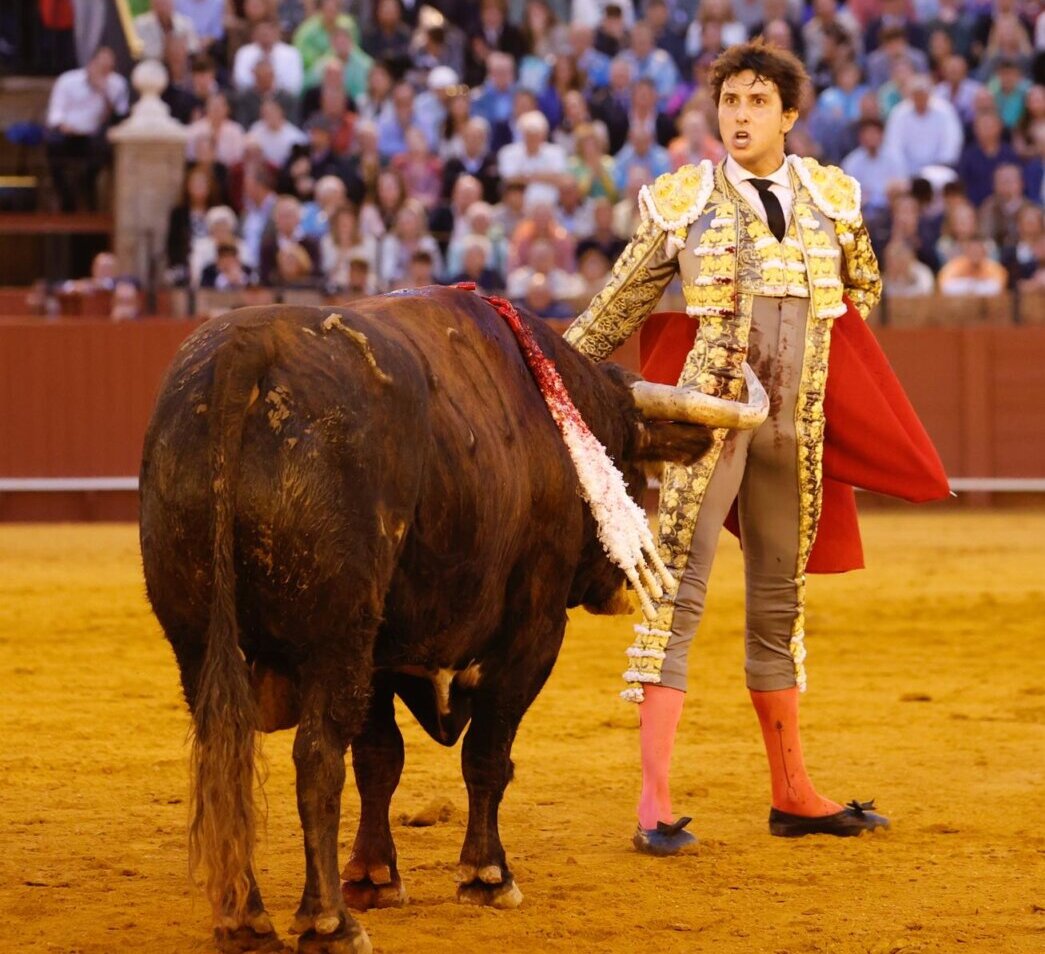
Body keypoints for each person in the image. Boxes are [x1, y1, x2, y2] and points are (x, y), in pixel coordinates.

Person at [563, 39, 945, 855]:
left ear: (788, 115)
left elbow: (862, 295)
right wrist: (546, 366)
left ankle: (792, 793)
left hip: (793, 430)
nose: (738, 116)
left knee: (779, 603)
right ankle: (653, 802)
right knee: (677, 598)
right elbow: (614, 308)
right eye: (728, 101)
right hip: (709, 426)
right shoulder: (683, 199)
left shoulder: (833, 200)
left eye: (755, 103)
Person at [45, 46, 129, 212]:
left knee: (102, 147)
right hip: (67, 134)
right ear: (91, 63)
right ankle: (65, 195)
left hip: (94, 137)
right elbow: (55, 115)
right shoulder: (68, 80)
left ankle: (88, 188)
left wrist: (104, 92)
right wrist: (64, 126)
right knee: (53, 144)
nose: (104, 72)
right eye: (100, 66)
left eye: (108, 68)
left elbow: (119, 118)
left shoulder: (117, 84)